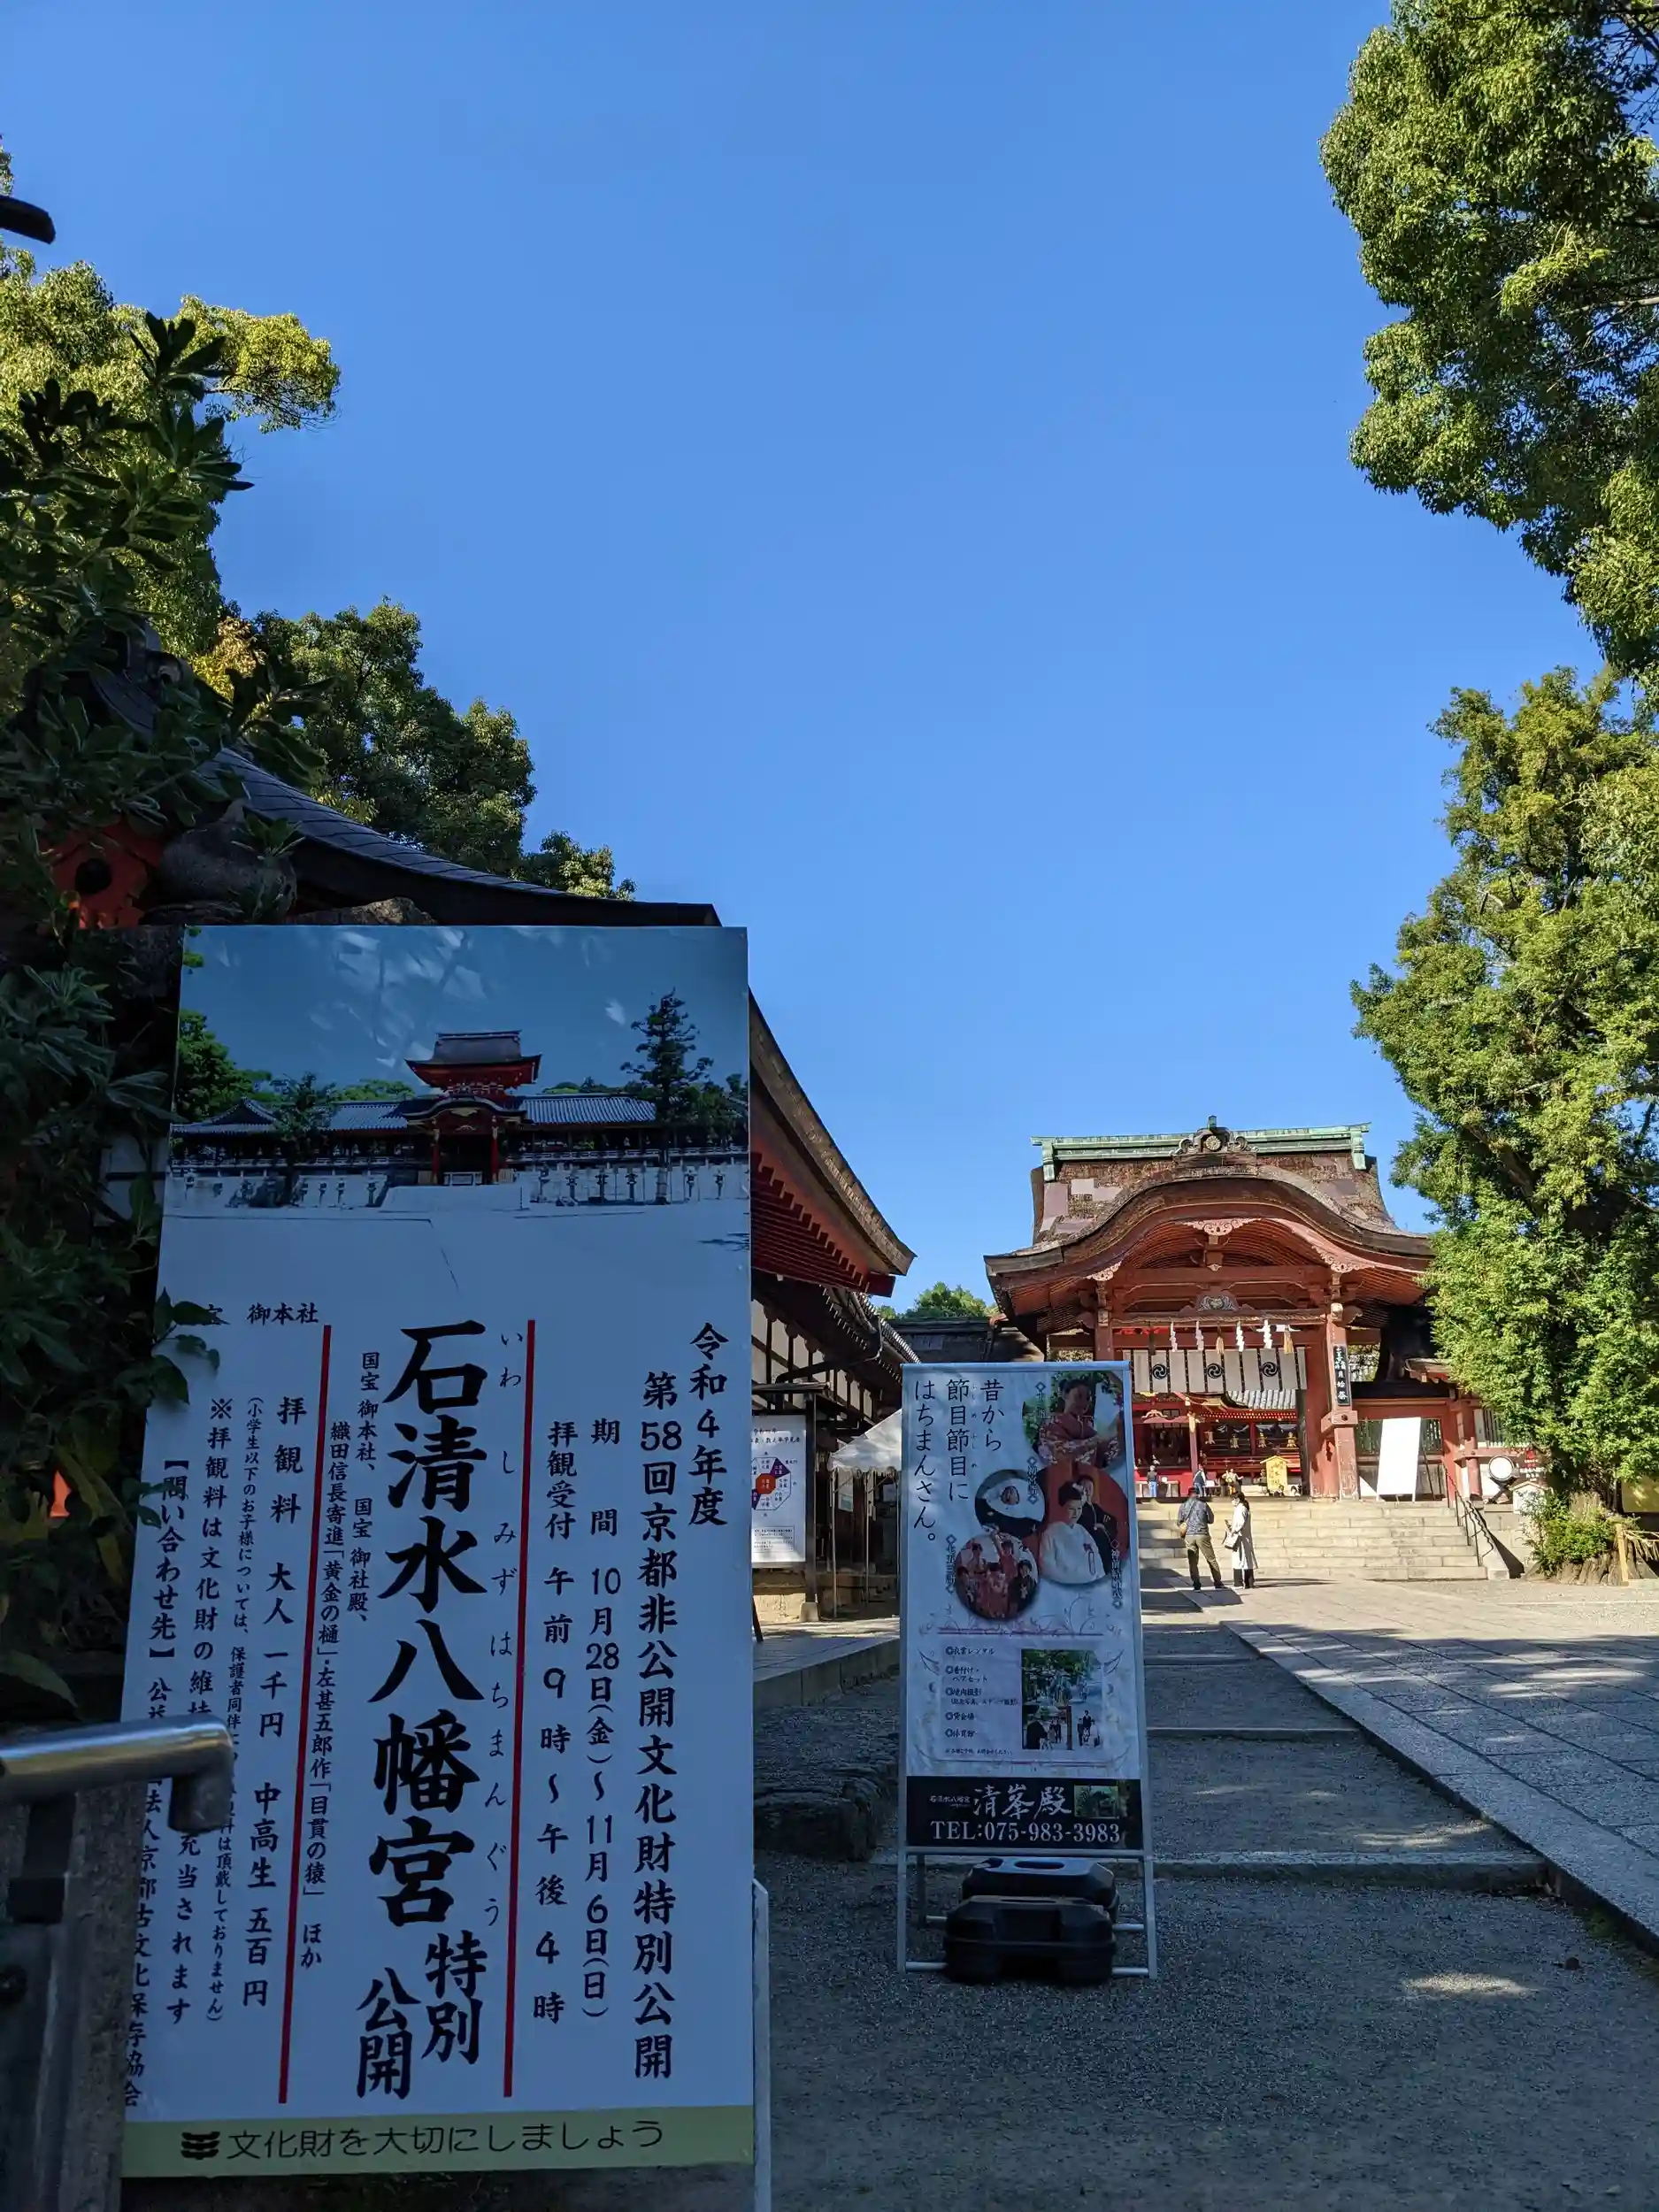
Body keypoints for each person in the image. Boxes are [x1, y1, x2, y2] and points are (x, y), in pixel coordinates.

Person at [1038, 1482, 1105, 1585]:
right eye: (1071, 1508)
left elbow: (1097, 1562)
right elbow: (1048, 1569)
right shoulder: (1050, 1534)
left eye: (1079, 1509)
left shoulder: (1083, 1532)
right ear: (1061, 1507)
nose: (1076, 1513)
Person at [1176, 1485, 1223, 1593]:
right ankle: (1217, 1582)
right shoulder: (1204, 1505)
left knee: (1193, 1562)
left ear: (1188, 1494)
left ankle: (1196, 1584)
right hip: (1202, 1534)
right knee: (1211, 1559)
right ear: (1198, 1494)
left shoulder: (1183, 1506)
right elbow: (1211, 1520)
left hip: (1189, 1536)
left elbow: (1179, 1522)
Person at [1073, 1473, 1118, 1582]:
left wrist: (1102, 1526)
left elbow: (1111, 1521)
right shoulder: (1077, 1508)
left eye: (1090, 1487)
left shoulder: (1095, 1508)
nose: (1088, 1490)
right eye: (1084, 1487)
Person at [1224, 1495, 1257, 1589]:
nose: (1232, 1502)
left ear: (1237, 1499)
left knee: (1238, 1560)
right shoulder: (1244, 1508)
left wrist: (1233, 1530)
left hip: (1240, 1537)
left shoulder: (1240, 1509)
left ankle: (1239, 1582)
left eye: (1233, 1499)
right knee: (1246, 1560)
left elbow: (1240, 1523)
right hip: (1245, 1537)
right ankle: (1249, 1582)